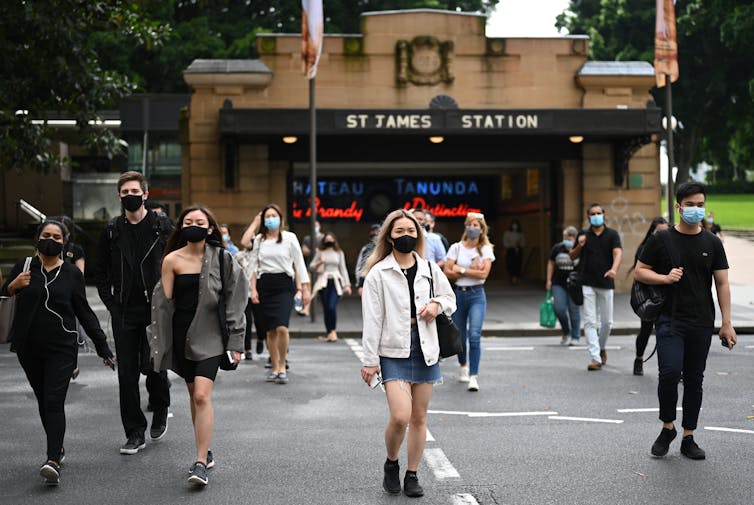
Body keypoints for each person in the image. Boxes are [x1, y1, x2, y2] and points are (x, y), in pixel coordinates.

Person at [1, 220, 115, 485]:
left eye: (56, 236)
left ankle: (52, 459)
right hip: (28, 347)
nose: (51, 239)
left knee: (53, 401)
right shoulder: (24, 267)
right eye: (46, 235)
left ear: (65, 242)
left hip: (62, 348)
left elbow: (84, 313)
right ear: (37, 238)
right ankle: (58, 446)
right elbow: (3, 297)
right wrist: (12, 286)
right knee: (43, 400)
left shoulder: (72, 274)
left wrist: (103, 347)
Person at [636, 181, 736, 460]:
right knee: (669, 373)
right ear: (679, 207)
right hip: (670, 319)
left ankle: (688, 436)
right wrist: (664, 278)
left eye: (700, 205)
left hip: (702, 321)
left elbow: (723, 284)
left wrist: (726, 323)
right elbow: (640, 272)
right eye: (690, 205)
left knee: (694, 379)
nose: (695, 209)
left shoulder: (713, 242)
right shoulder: (661, 240)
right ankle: (667, 427)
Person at [360, 209, 455, 498]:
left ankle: (412, 474)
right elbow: (372, 319)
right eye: (399, 231)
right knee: (401, 416)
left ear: (419, 235)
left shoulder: (429, 268)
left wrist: (437, 305)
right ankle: (392, 463)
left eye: (411, 231)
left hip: (426, 347)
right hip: (393, 348)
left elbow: (450, 298)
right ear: (389, 236)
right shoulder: (378, 272)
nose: (406, 236)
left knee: (419, 417)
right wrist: (369, 361)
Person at [151, 205, 248, 486]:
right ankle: (205, 447)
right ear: (181, 227)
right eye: (188, 221)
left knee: (203, 396)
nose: (193, 225)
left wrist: (236, 341)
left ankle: (200, 461)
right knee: (194, 395)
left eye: (200, 221)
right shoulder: (171, 260)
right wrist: (159, 346)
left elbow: (236, 300)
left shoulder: (223, 259)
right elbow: (163, 306)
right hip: (183, 336)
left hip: (212, 337)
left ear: (210, 228)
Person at [94, 171, 173, 454]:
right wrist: (112, 304)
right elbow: (99, 271)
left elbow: (177, 261)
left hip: (156, 310)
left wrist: (171, 299)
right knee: (126, 374)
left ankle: (161, 407)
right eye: (125, 192)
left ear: (146, 194)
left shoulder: (162, 227)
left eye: (134, 191)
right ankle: (134, 432)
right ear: (119, 196)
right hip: (125, 311)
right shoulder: (112, 230)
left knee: (154, 365)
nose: (130, 196)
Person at [249, 204, 311, 384]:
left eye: (274, 215)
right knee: (270, 331)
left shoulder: (290, 238)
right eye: (267, 216)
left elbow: (299, 264)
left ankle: (283, 365)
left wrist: (304, 289)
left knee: (282, 327)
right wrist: (253, 290)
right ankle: (274, 367)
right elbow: (253, 267)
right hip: (264, 286)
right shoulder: (259, 240)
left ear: (280, 218)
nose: (270, 219)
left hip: (284, 285)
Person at [443, 212, 495, 391]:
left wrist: (461, 270)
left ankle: (474, 375)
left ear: (482, 230)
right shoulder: (456, 248)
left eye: (476, 226)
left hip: (477, 295)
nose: (472, 228)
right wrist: (465, 270)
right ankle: (463, 365)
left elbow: (484, 275)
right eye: (470, 224)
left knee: (474, 335)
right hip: (459, 295)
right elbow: (447, 272)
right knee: (460, 336)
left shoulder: (486, 249)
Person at [569, 203, 622, 371]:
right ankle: (595, 357)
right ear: (588, 217)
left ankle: (601, 347)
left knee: (607, 322)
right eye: (593, 213)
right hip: (587, 282)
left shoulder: (612, 234)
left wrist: (614, 269)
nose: (596, 215)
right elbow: (572, 256)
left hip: (606, 282)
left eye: (599, 213)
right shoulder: (583, 234)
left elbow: (618, 253)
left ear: (604, 215)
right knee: (590, 321)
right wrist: (580, 245)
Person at [627, 217, 669, 375]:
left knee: (667, 332)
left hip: (667, 294)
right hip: (650, 295)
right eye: (660, 232)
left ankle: (670, 368)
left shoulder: (671, 248)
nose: (663, 235)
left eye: (666, 231)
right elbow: (640, 273)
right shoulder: (645, 248)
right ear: (652, 232)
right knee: (646, 329)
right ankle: (639, 359)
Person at [56, 215, 86, 380]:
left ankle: (72, 365)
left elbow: (80, 274)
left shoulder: (75, 249)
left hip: (70, 295)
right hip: (51, 296)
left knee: (71, 331)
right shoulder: (46, 248)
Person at [310, 231, 352, 342]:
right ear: (324, 241)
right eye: (327, 239)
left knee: (331, 307)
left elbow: (343, 269)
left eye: (331, 239)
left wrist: (347, 285)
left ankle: (333, 331)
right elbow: (311, 266)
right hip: (323, 282)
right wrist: (320, 262)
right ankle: (329, 332)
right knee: (326, 308)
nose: (329, 241)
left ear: (334, 240)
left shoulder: (339, 253)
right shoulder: (320, 252)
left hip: (336, 281)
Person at [546, 226, 581, 346]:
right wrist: (549, 280)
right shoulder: (557, 248)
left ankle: (575, 336)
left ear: (575, 238)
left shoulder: (579, 249)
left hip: (574, 285)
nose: (566, 240)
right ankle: (566, 332)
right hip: (558, 283)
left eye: (569, 238)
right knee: (559, 308)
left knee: (574, 310)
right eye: (565, 237)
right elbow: (551, 263)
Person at [297, 220, 323, 316]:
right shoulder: (307, 238)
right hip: (310, 266)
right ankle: (306, 309)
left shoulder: (324, 238)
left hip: (322, 268)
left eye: (316, 225)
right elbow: (304, 250)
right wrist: (314, 251)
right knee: (309, 287)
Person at [355, 224, 381, 296]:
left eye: (378, 231)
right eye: (373, 231)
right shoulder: (366, 249)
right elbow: (360, 267)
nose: (375, 233)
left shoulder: (387, 248)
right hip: (368, 281)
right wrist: (360, 285)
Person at [503, 219, 525, 285]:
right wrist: (511, 245)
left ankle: (516, 278)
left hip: (518, 250)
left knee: (517, 264)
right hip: (510, 250)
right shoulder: (507, 233)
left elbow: (523, 242)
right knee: (510, 264)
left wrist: (518, 245)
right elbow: (505, 242)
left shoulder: (520, 233)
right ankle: (511, 277)